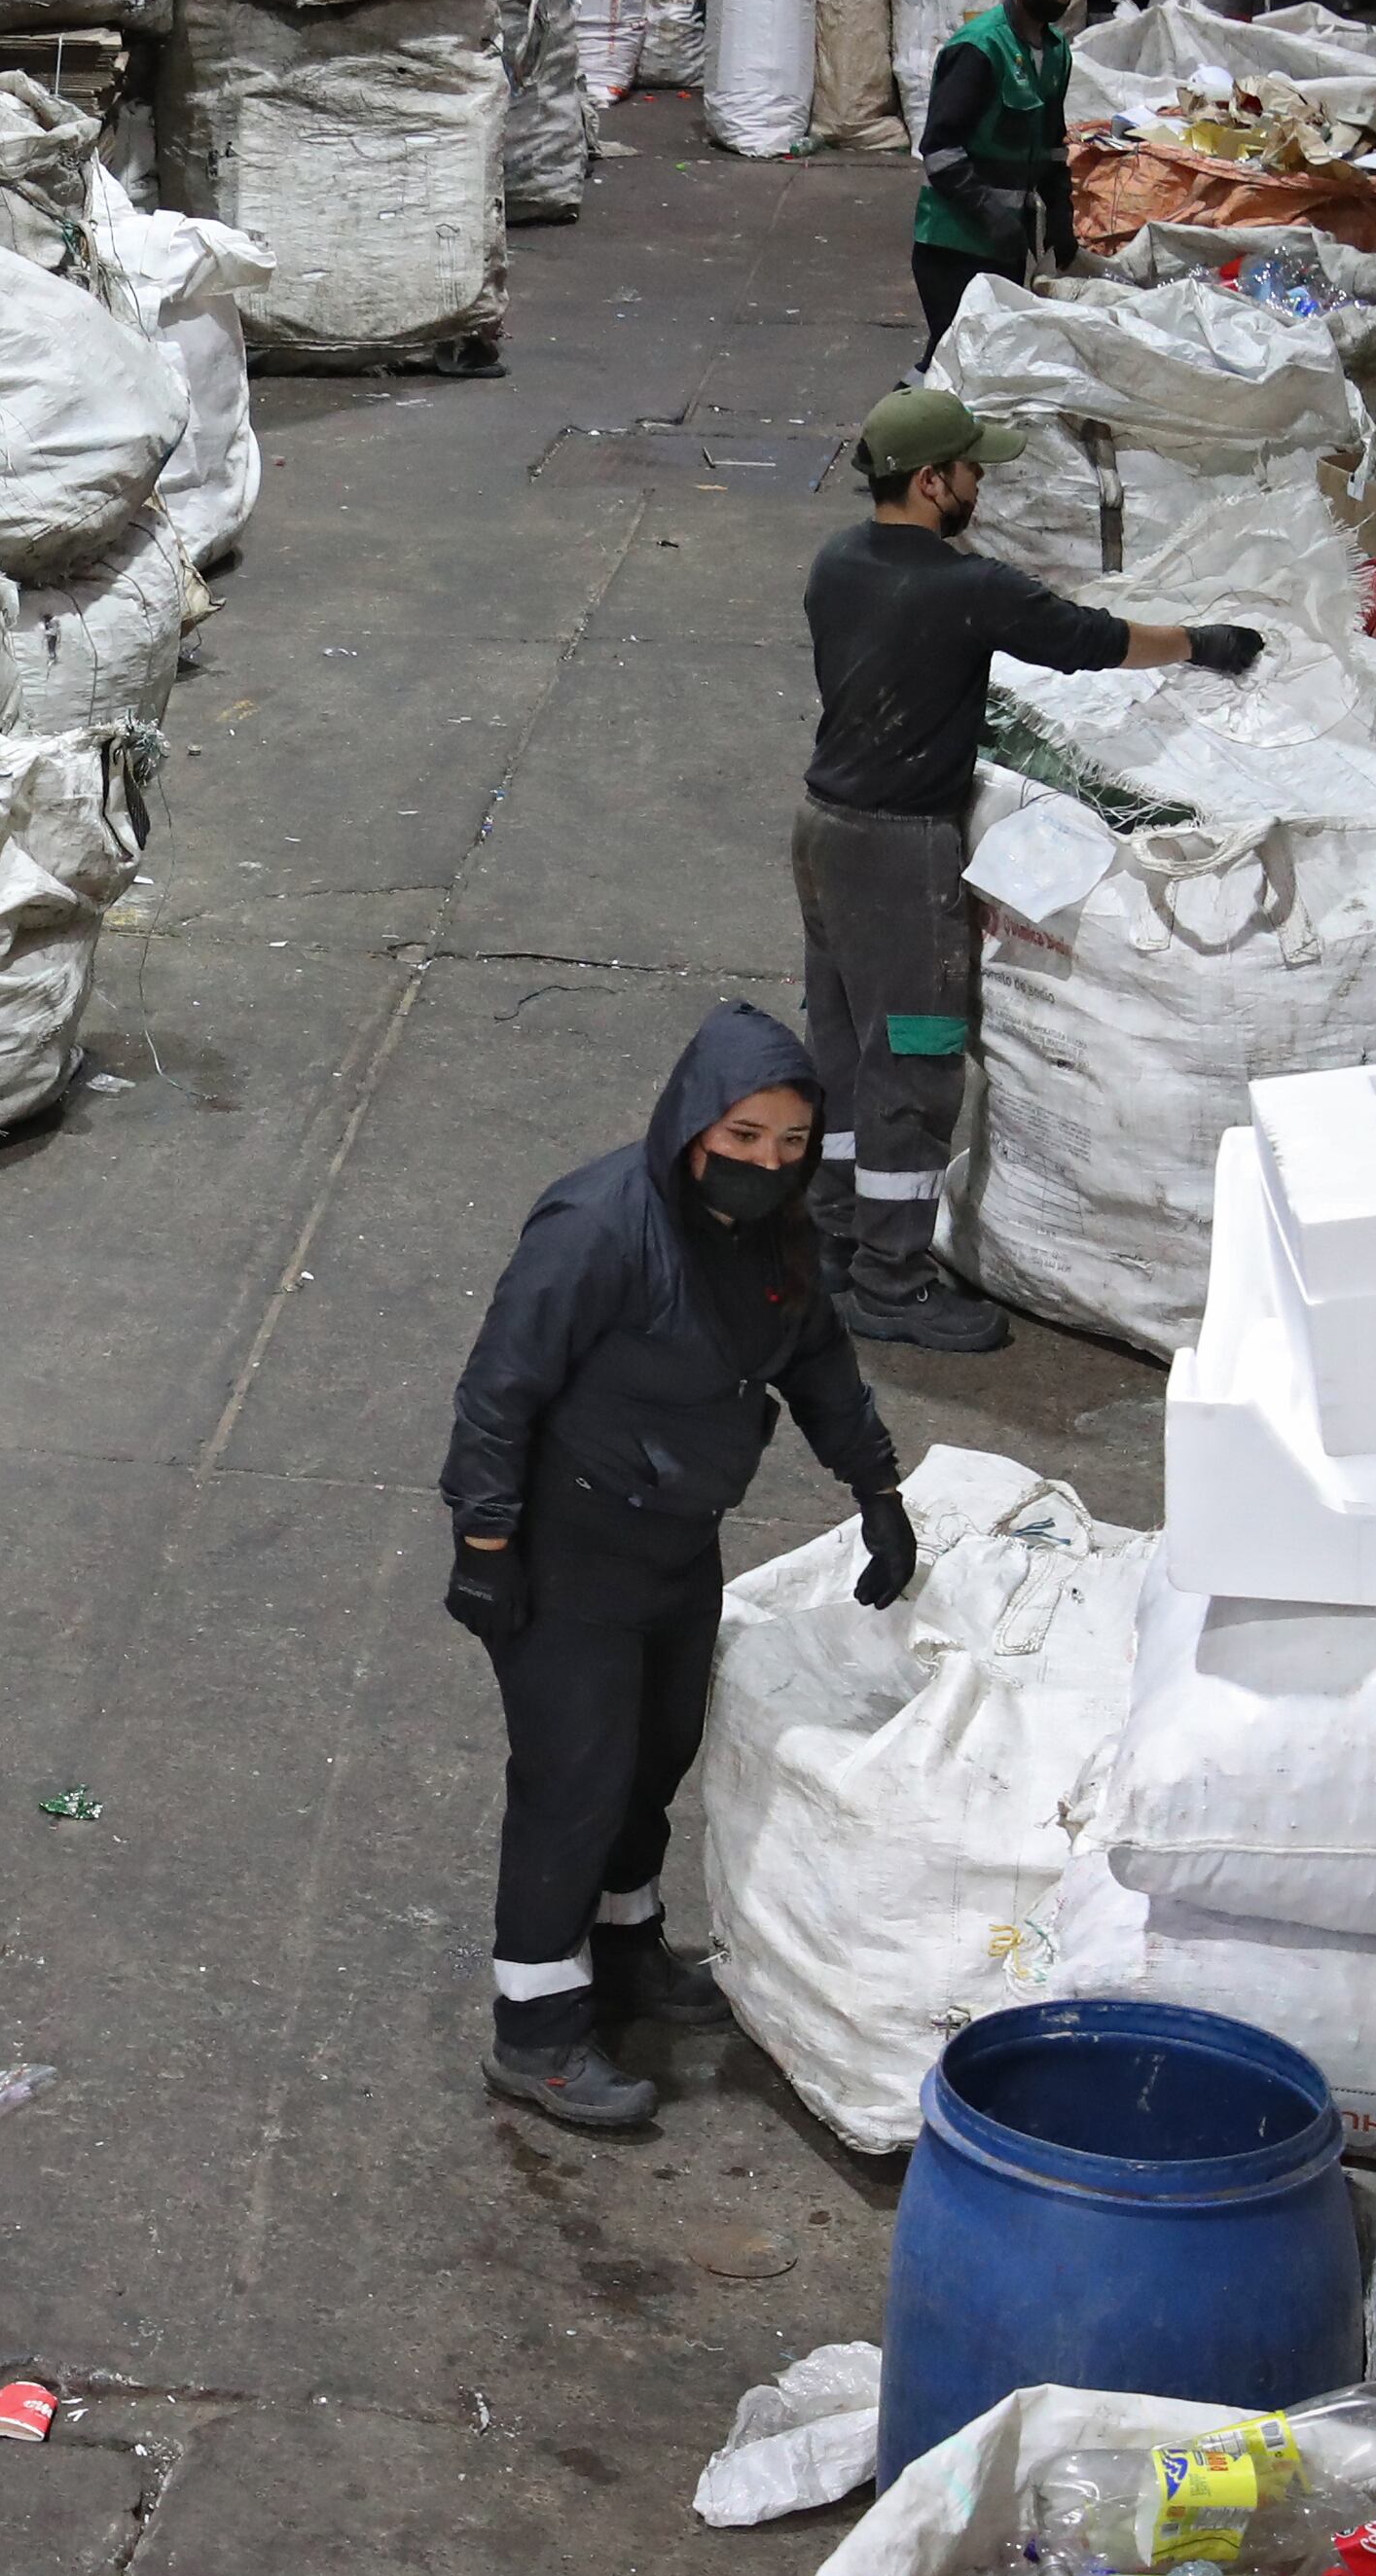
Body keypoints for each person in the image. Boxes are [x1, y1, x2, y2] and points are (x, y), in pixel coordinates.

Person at [444, 1003, 915, 2132]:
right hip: (565, 1554)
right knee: (573, 1781)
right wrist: (484, 1545)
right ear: (691, 1124)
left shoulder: (774, 1242)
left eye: (790, 1145)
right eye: (744, 1137)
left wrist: (877, 1492)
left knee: (656, 1753)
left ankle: (623, 1950)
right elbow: (497, 1392)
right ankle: (536, 2032)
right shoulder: (598, 1227)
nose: (765, 1164)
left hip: (674, 1544)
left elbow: (818, 1367)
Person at [799, 388, 1261, 1352]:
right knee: (915, 1057)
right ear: (930, 481)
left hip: (823, 829)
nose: (979, 483)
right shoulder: (965, 587)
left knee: (842, 1041)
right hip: (899, 848)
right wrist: (1202, 645)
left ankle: (833, 1236)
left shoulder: (836, 563)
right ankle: (889, 1278)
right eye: (971, 469)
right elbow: (1089, 642)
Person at [909, 0, 1086, 356]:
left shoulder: (1057, 53)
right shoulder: (979, 48)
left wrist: (1061, 212)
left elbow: (1052, 143)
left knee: (985, 361)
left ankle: (909, 419)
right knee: (959, 357)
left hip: (1007, 245)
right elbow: (940, 150)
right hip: (953, 243)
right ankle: (897, 420)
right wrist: (989, 213)